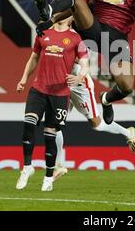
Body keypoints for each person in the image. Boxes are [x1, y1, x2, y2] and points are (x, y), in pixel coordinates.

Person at [15, 17, 88, 192]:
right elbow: (33, 57)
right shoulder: (43, 32)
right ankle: (27, 168)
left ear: (72, 18)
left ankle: (48, 178)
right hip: (38, 89)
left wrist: (79, 77)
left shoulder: (76, 38)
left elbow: (85, 64)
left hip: (60, 95)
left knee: (50, 136)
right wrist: (24, 79)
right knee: (28, 124)